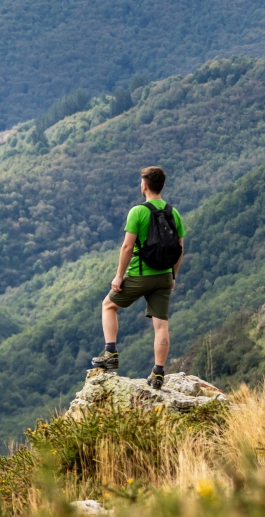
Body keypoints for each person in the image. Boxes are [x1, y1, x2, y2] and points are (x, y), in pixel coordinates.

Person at [90, 165, 185, 390]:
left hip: (140, 274)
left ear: (144, 185)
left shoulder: (138, 212)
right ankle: (158, 373)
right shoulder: (174, 212)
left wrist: (119, 276)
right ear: (162, 186)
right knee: (161, 324)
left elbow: (127, 247)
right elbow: (180, 248)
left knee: (108, 306)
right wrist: (173, 276)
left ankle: (110, 353)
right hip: (163, 276)